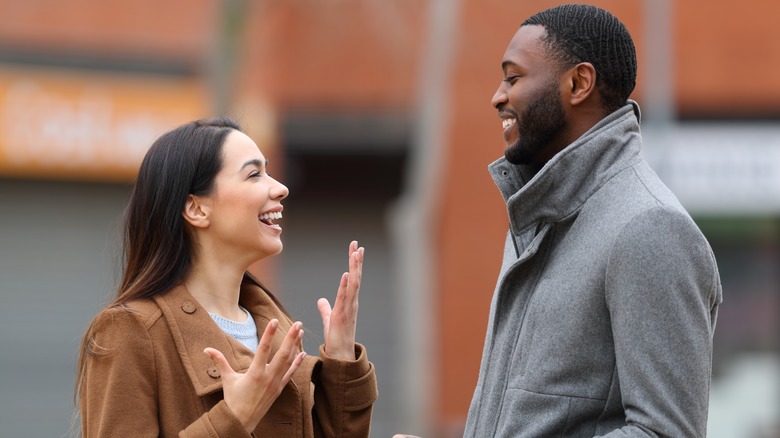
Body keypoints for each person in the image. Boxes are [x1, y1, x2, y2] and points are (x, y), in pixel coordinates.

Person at [464, 4, 722, 437]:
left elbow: (664, 432)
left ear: (578, 83)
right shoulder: (538, 218)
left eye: (513, 77)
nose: (497, 96)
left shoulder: (649, 228)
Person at [76, 117, 378, 437]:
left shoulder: (278, 333)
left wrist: (342, 363)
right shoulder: (130, 332)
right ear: (196, 209)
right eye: (254, 174)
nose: (280, 187)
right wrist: (235, 418)